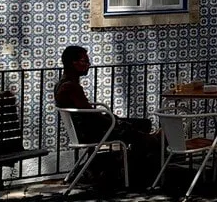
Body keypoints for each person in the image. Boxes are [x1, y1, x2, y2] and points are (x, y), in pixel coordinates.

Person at [53, 45, 156, 173]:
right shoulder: (71, 87)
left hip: (86, 130)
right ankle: (134, 169)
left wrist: (112, 118)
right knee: (143, 130)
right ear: (73, 63)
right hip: (90, 133)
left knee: (143, 125)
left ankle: (131, 167)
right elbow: (90, 115)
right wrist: (115, 121)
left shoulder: (61, 84)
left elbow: (88, 112)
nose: (88, 65)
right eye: (84, 61)